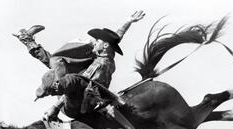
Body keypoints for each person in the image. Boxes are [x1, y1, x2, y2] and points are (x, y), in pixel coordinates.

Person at [14, 10, 145, 121]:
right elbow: (114, 39)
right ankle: (27, 39)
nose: (94, 43)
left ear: (104, 46)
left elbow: (81, 84)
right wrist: (128, 22)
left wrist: (55, 108)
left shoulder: (100, 64)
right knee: (58, 63)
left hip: (75, 105)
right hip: (80, 100)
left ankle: (49, 86)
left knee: (71, 76)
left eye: (97, 41)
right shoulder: (106, 57)